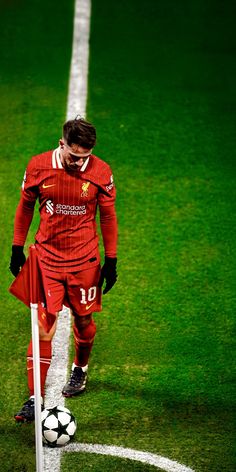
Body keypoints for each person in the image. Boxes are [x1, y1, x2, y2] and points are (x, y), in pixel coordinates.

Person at [9, 117, 118, 422]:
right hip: (46, 259)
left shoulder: (101, 172)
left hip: (84, 261)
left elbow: (108, 218)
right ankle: (34, 397)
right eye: (74, 155)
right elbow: (26, 206)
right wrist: (18, 246)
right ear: (62, 144)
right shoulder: (38, 166)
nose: (78, 162)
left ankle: (80, 370)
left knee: (84, 321)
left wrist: (111, 259)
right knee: (43, 326)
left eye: (85, 157)